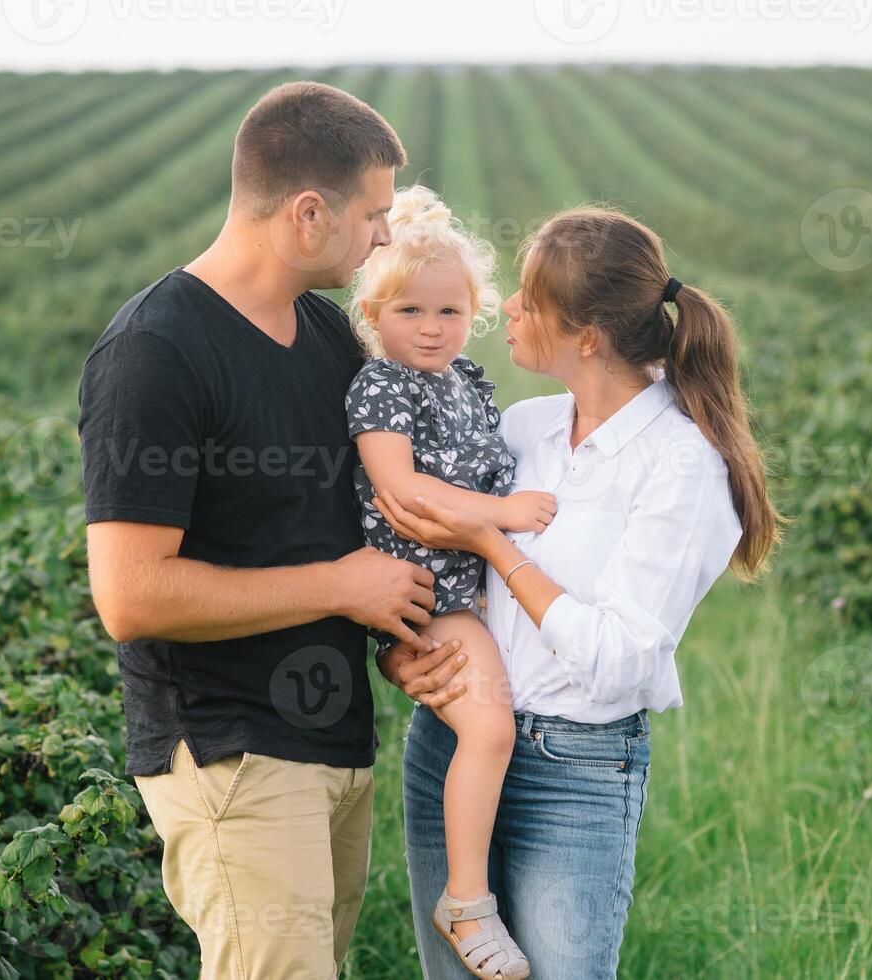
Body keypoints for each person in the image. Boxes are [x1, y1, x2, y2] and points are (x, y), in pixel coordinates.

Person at [77, 81, 462, 980]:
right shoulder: (155, 352)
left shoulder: (328, 338)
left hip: (333, 740)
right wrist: (343, 586)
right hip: (231, 751)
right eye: (372, 215)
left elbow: (345, 527)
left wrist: (393, 632)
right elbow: (131, 596)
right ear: (307, 212)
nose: (383, 237)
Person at [373, 205, 783, 979]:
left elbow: (619, 661)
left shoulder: (680, 466)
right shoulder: (525, 426)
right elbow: (435, 559)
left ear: (587, 334)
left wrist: (492, 540)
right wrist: (403, 659)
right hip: (452, 741)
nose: (508, 308)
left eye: (528, 297)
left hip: (575, 770)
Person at [345, 184, 555, 979]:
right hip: (427, 589)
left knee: (498, 726)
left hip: (471, 587)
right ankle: (466, 902)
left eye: (448, 313)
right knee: (491, 728)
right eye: (409, 313)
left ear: (476, 314)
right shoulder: (383, 388)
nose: (430, 330)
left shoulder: (467, 379)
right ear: (373, 315)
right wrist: (501, 513)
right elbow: (406, 493)